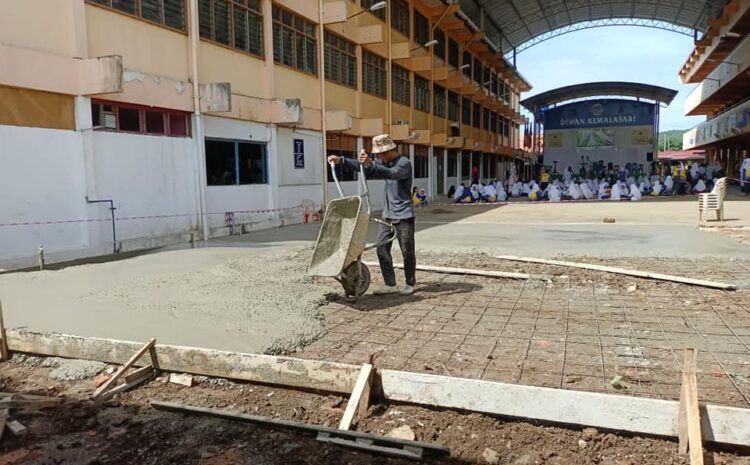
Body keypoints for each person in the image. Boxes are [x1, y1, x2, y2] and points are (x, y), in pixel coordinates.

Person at [328, 134, 416, 296]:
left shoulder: (404, 164)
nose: (378, 157)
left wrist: (371, 164)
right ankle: (390, 284)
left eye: (380, 154)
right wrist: (341, 160)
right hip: (387, 215)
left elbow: (392, 173)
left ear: (389, 150)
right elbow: (365, 167)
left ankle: (410, 283)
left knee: (407, 251)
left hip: (404, 215)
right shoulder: (385, 163)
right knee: (381, 248)